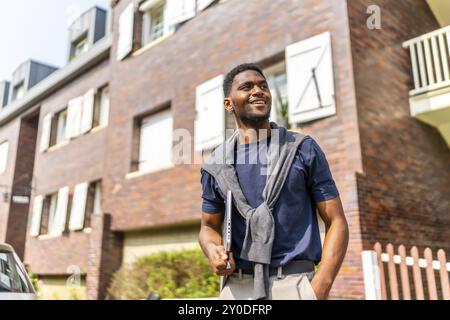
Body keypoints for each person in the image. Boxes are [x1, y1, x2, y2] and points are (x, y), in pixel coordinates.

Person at [198, 63, 349, 300]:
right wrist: (212, 250)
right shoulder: (215, 165)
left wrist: (319, 287)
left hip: (295, 285)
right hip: (237, 289)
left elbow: (336, 221)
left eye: (263, 86)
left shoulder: (302, 149)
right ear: (229, 104)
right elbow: (208, 227)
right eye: (247, 86)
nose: (258, 91)